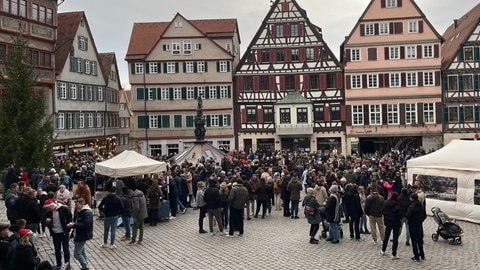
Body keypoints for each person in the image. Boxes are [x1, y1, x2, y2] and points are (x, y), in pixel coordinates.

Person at [44, 198, 72, 270]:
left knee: (66, 249)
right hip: (55, 233)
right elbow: (47, 223)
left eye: (49, 207)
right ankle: (59, 264)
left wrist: (67, 228)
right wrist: (48, 222)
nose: (49, 209)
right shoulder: (49, 212)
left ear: (52, 205)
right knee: (57, 250)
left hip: (63, 233)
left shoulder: (64, 209)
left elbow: (70, 218)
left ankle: (67, 264)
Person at [68, 198, 93, 270]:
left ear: (82, 204)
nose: (76, 206)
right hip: (79, 234)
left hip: (82, 235)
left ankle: (85, 266)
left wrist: (73, 225)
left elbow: (86, 225)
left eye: (77, 204)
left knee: (77, 254)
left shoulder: (87, 212)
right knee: (82, 251)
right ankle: (86, 265)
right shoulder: (80, 211)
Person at [381, 192, 402, 259]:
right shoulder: (398, 205)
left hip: (388, 222)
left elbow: (383, 211)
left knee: (386, 236)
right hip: (396, 223)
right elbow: (399, 215)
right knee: (395, 239)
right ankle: (394, 254)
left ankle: (383, 250)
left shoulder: (386, 203)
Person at [406, 193, 426, 262]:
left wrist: (410, 221)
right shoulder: (422, 206)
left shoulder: (411, 207)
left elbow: (408, 216)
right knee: (419, 241)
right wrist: (420, 221)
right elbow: (424, 215)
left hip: (412, 225)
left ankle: (416, 256)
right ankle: (422, 255)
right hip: (419, 225)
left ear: (412, 198)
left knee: (414, 241)